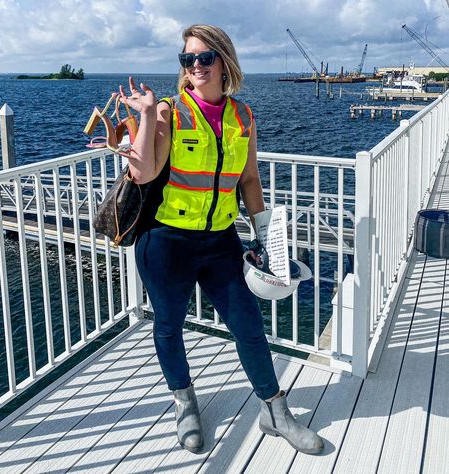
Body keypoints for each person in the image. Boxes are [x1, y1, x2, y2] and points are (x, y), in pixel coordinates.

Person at [117, 24, 324, 455]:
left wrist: (266, 235)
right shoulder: (170, 112)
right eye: (187, 59)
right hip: (166, 241)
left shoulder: (243, 116)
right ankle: (184, 402)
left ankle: (274, 410)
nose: (195, 66)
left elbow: (248, 178)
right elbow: (143, 174)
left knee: (248, 326)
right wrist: (147, 115)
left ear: (224, 61)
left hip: (220, 241)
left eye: (204, 57)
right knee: (169, 326)